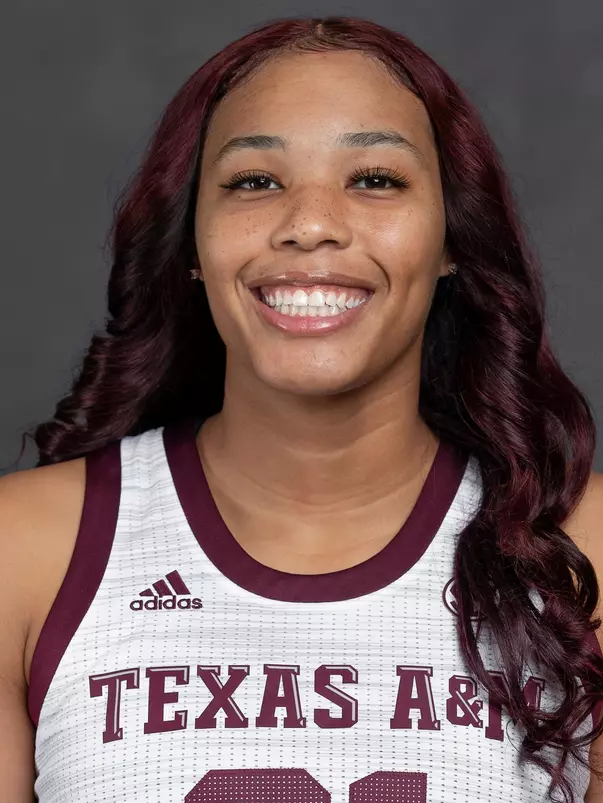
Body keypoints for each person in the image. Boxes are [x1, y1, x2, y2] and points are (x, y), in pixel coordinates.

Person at [1, 14, 602, 803]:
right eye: (255, 182)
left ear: (451, 236)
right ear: (190, 243)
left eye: (375, 179)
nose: (311, 224)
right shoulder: (25, 551)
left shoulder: (578, 548)